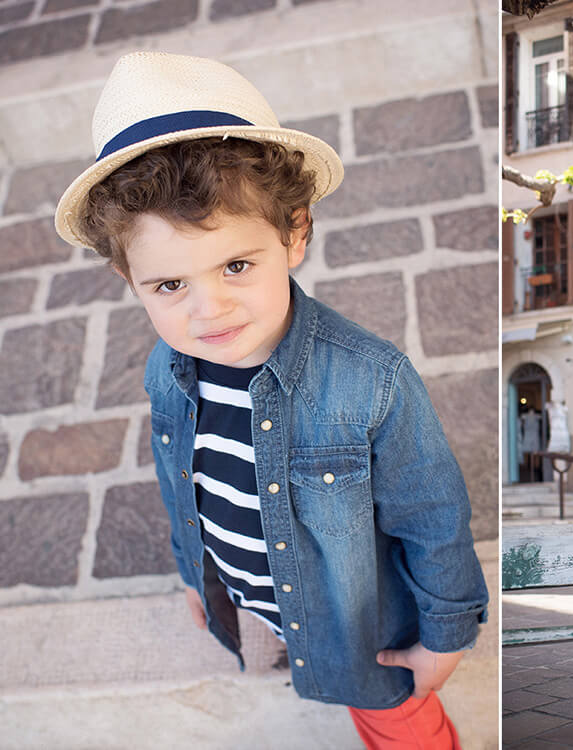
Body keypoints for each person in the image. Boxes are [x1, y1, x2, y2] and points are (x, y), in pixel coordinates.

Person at [55, 52, 488, 748]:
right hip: (253, 597)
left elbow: (434, 519)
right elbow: (181, 486)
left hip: (363, 631)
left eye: (235, 265)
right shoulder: (168, 371)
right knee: (269, 645)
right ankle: (279, 640)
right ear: (125, 276)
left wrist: (444, 638)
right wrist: (197, 580)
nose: (209, 309)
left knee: (399, 722)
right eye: (169, 286)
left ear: (294, 231)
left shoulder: (369, 382)